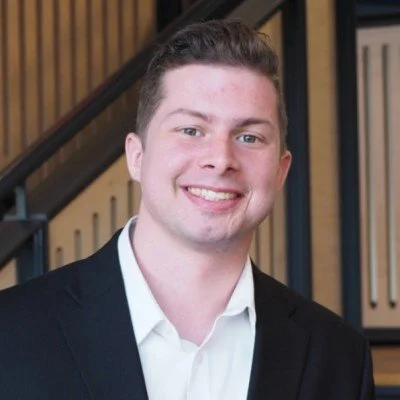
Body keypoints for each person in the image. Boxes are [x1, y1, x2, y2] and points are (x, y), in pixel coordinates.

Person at [0, 20, 374, 400]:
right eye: (191, 130)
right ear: (136, 155)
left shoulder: (340, 357)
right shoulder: (10, 331)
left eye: (249, 137)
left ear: (280, 172)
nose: (221, 159)